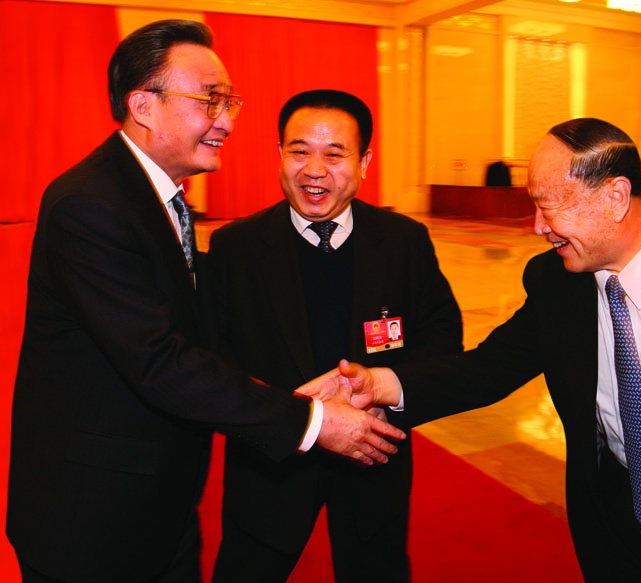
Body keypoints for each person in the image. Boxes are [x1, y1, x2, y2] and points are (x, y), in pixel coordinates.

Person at [309, 118, 641, 582]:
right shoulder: (557, 282)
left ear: (615, 197)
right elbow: (488, 369)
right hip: (616, 536)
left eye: (549, 207)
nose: (538, 227)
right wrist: (379, 383)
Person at [6, 22, 403, 583]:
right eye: (209, 101)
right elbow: (159, 360)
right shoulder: (91, 205)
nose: (227, 121)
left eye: (229, 102)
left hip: (158, 499)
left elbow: (199, 333)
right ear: (144, 106)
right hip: (92, 511)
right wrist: (312, 420)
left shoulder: (160, 196)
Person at [208, 89, 462, 583]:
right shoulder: (235, 247)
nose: (314, 170)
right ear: (279, 155)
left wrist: (387, 399)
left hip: (374, 453)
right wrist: (286, 418)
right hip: (272, 463)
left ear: (364, 162)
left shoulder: (403, 241)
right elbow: (215, 357)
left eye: (334, 154)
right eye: (299, 151)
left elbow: (442, 340)